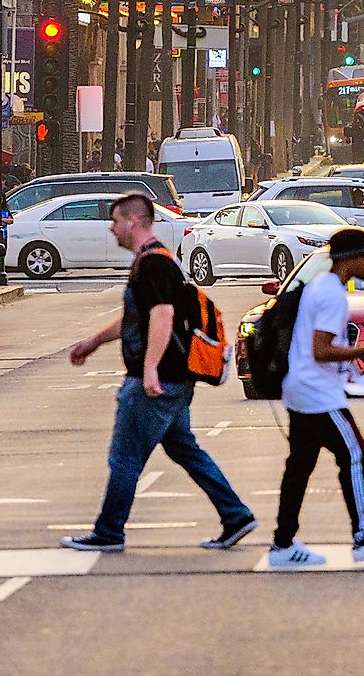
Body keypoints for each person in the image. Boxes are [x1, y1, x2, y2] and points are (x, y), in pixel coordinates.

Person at [60, 192, 257, 555]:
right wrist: (94, 342)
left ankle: (109, 531)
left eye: (116, 221)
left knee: (125, 456)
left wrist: (149, 370)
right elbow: (138, 319)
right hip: (174, 378)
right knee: (186, 451)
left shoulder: (153, 265)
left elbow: (162, 316)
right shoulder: (154, 263)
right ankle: (236, 514)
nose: (111, 228)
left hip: (157, 380)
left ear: (133, 222)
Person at [269, 225, 364, 568]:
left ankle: (283, 543)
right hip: (319, 395)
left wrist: (359, 358)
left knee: (299, 467)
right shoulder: (332, 293)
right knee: (355, 457)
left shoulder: (320, 285)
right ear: (351, 259)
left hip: (299, 388)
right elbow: (321, 350)